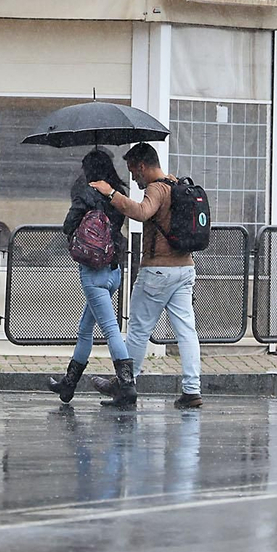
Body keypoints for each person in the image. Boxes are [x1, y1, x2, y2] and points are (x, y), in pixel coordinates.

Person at [86, 142, 203, 409]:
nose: (134, 178)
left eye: (133, 171)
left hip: (158, 271)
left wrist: (111, 193)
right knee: (187, 330)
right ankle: (192, 389)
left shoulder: (157, 188)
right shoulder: (176, 183)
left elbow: (141, 212)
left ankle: (126, 384)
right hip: (185, 268)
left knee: (138, 329)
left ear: (141, 166)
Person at [46, 149, 130, 403]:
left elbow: (68, 225)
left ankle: (127, 384)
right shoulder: (118, 193)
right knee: (85, 328)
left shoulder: (85, 194)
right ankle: (68, 384)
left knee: (110, 329)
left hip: (93, 274)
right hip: (114, 270)